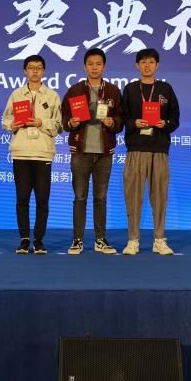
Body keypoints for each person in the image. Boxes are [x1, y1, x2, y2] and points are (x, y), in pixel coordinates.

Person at [61, 48, 123, 255]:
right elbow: (64, 118)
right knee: (80, 197)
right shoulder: (75, 90)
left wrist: (113, 122)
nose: (94, 67)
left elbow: (121, 118)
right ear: (85, 66)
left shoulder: (113, 91)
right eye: (90, 64)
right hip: (81, 151)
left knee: (101, 198)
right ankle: (77, 240)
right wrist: (71, 122)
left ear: (103, 66)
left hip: (104, 153)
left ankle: (100, 239)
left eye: (98, 64)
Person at [120, 48, 180, 256]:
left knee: (160, 196)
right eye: (143, 62)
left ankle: (159, 240)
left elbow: (175, 118)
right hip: (136, 148)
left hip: (159, 148)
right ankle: (133, 240)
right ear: (137, 65)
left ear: (157, 65)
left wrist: (165, 123)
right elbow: (122, 118)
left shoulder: (165, 89)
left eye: (151, 62)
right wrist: (134, 122)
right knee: (133, 196)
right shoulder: (130, 89)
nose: (147, 66)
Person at [2, 54, 62, 255]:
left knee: (42, 200)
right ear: (25, 71)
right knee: (22, 199)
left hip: (43, 153)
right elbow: (5, 121)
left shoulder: (52, 96)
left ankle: (38, 240)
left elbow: (59, 125)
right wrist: (13, 125)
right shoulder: (16, 94)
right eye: (31, 67)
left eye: (38, 67)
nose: (35, 71)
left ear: (43, 71)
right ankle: (24, 239)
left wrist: (41, 122)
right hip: (21, 152)